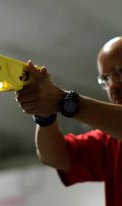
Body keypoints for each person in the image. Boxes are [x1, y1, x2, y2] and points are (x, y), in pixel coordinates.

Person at [16, 36, 122, 206]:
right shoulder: (109, 142)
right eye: (106, 78)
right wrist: (45, 115)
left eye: (120, 73)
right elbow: (57, 156)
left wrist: (60, 100)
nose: (113, 86)